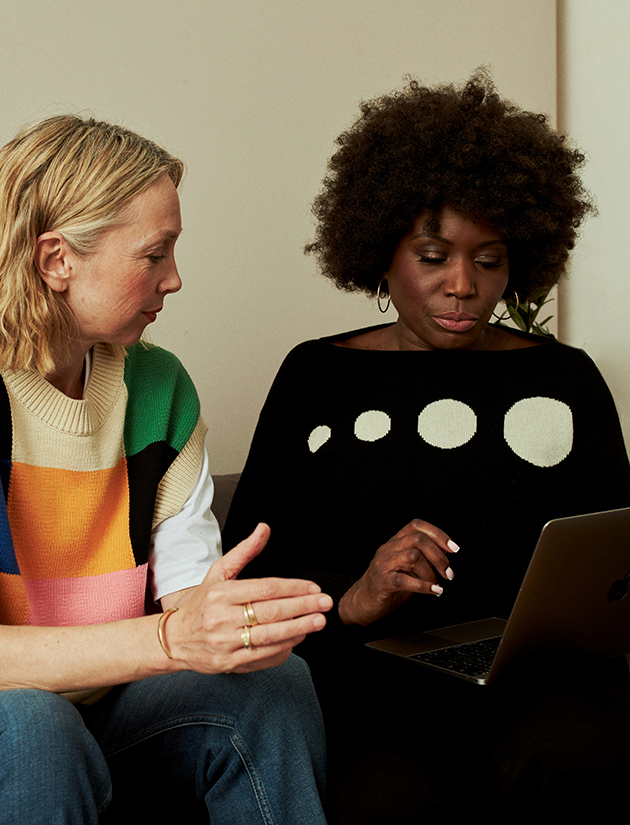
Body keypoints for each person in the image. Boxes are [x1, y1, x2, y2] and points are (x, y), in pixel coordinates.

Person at [223, 73, 630, 822]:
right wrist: (355, 596)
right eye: (435, 254)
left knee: (582, 750)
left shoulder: (563, 377)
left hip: (539, 679)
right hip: (374, 679)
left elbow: (613, 555)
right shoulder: (317, 375)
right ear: (382, 252)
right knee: (388, 793)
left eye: (489, 259)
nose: (463, 285)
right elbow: (246, 562)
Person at [0, 115, 333, 825]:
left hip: (120, 705)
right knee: (35, 728)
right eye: (155, 253)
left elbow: (186, 600)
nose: (174, 279)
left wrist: (225, 621)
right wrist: (166, 640)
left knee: (273, 684)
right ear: (57, 259)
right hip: (16, 720)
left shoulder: (160, 389)